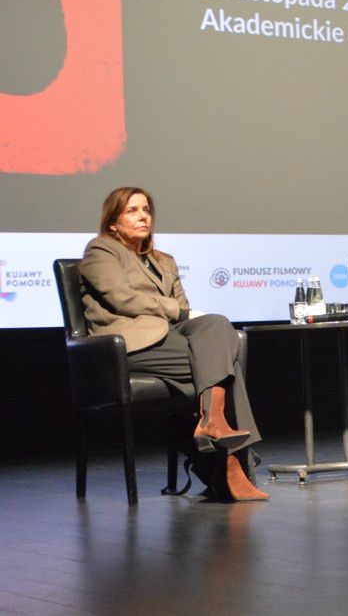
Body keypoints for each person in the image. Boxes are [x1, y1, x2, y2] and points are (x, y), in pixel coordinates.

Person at [79, 187, 267, 501]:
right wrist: (174, 311)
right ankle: (232, 466)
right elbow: (122, 298)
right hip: (130, 345)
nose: (143, 216)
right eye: (132, 210)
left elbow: (185, 310)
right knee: (226, 366)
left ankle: (214, 430)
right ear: (113, 223)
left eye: (146, 210)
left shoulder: (163, 261)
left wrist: (182, 314)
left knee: (217, 323)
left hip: (169, 340)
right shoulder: (101, 251)